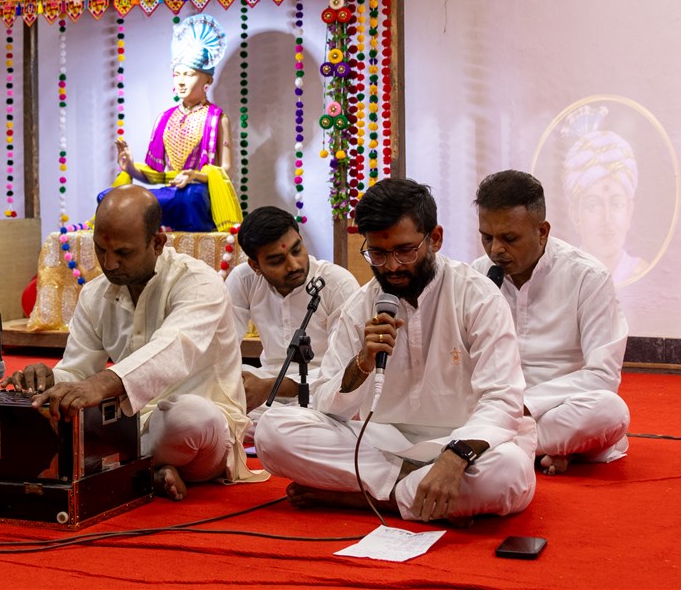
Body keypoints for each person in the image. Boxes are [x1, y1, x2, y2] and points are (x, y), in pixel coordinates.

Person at [254, 178, 536, 525]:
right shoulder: (361, 306)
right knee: (273, 430)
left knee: (509, 473)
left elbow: (502, 399)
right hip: (385, 443)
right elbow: (329, 407)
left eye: (405, 251)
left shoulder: (477, 296)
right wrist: (362, 363)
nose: (391, 266)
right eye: (378, 253)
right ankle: (417, 494)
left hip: (465, 443)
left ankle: (363, 499)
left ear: (435, 239)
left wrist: (454, 457)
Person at [5, 185, 265, 500]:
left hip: (201, 439)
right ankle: (144, 472)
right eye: (101, 249)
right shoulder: (95, 294)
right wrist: (50, 380)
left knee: (189, 416)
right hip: (128, 429)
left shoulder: (198, 282)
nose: (109, 263)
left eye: (123, 253)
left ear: (157, 243)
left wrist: (101, 383)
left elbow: (174, 348)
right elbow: (77, 372)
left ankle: (122, 467)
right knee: (56, 414)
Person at [472, 170, 630, 476]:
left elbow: (602, 376)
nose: (495, 250)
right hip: (490, 405)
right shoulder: (477, 275)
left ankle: (490, 446)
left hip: (557, 409)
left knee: (611, 412)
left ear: (542, 231)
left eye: (509, 238)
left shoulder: (588, 276)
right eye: (486, 237)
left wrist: (524, 405)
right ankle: (552, 448)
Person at [227, 206, 359, 438]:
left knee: (288, 426)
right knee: (208, 407)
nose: (294, 265)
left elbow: (343, 370)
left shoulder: (336, 283)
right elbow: (223, 347)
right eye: (277, 261)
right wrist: (238, 384)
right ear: (255, 266)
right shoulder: (243, 280)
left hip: (321, 394)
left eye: (297, 250)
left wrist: (270, 387)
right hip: (264, 392)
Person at [108, 13, 242, 232]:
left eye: (188, 74)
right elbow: (157, 175)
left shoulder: (217, 118)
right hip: (169, 190)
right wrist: (130, 168)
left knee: (189, 199)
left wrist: (195, 175)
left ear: (208, 80)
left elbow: (225, 169)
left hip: (196, 191)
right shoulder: (165, 118)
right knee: (114, 199)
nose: (180, 81)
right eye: (177, 74)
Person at [560, 104, 646, 285]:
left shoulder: (643, 275)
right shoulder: (561, 278)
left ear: (629, 212)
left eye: (617, 204)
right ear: (575, 214)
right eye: (593, 205)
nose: (607, 219)